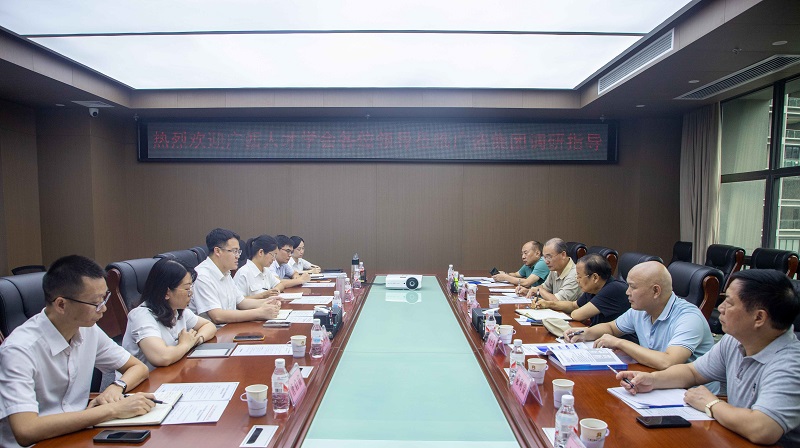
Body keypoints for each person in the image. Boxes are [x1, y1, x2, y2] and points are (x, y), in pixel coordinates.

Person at [616, 269, 800, 446]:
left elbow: (763, 429)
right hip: (733, 436)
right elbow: (693, 372)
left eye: (729, 302)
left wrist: (711, 404)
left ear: (759, 318)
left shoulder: (790, 363)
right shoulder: (734, 341)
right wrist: (652, 380)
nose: (721, 308)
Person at [0, 255, 155, 447]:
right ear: (61, 305)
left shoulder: (87, 330)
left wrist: (116, 387)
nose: (104, 309)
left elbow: (137, 367)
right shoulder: (19, 350)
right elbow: (26, 430)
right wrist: (112, 410)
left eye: (104, 297)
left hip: (78, 435)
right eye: (96, 303)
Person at [564, 261, 715, 372]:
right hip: (654, 378)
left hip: (692, 396)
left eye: (633, 287)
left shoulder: (689, 318)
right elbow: (611, 327)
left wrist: (620, 343)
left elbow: (668, 362)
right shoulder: (641, 309)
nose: (627, 292)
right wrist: (586, 333)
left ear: (656, 291)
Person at [122, 258, 217, 371]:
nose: (191, 293)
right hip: (146, 379)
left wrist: (197, 339)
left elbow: (209, 326)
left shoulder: (178, 309)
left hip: (173, 372)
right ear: (166, 292)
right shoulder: (141, 316)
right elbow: (161, 357)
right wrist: (185, 345)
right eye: (187, 288)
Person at [190, 228, 281, 324]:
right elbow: (217, 316)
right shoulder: (202, 276)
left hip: (229, 327)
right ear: (217, 251)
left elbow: (241, 302)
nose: (238, 256)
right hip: (214, 331)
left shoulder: (225, 272)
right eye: (234, 251)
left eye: (238, 251)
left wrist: (268, 302)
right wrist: (259, 313)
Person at [537, 254, 632, 331]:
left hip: (619, 343)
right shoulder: (594, 288)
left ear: (595, 277)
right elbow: (574, 305)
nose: (577, 280)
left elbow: (577, 315)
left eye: (579, 276)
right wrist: (548, 304)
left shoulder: (614, 289)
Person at [517, 238, 581, 304]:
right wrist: (529, 291)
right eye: (544, 257)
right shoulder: (555, 269)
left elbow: (558, 301)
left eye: (549, 257)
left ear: (563, 255)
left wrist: (540, 290)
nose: (546, 261)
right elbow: (545, 287)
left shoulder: (575, 274)